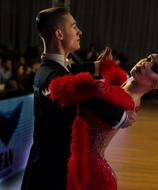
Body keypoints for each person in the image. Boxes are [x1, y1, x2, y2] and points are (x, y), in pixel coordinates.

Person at [21, 7, 136, 190]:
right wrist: (120, 117)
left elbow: (73, 72)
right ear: (59, 33)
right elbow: (86, 91)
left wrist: (99, 66)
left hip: (48, 165)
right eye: (74, 26)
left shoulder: (49, 69)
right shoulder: (54, 77)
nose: (79, 31)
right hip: (51, 174)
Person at [48, 50, 158, 190]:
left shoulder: (122, 98)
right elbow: (117, 80)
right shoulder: (127, 92)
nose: (145, 64)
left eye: (154, 68)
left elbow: (73, 88)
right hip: (86, 166)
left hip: (90, 174)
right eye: (148, 58)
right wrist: (107, 66)